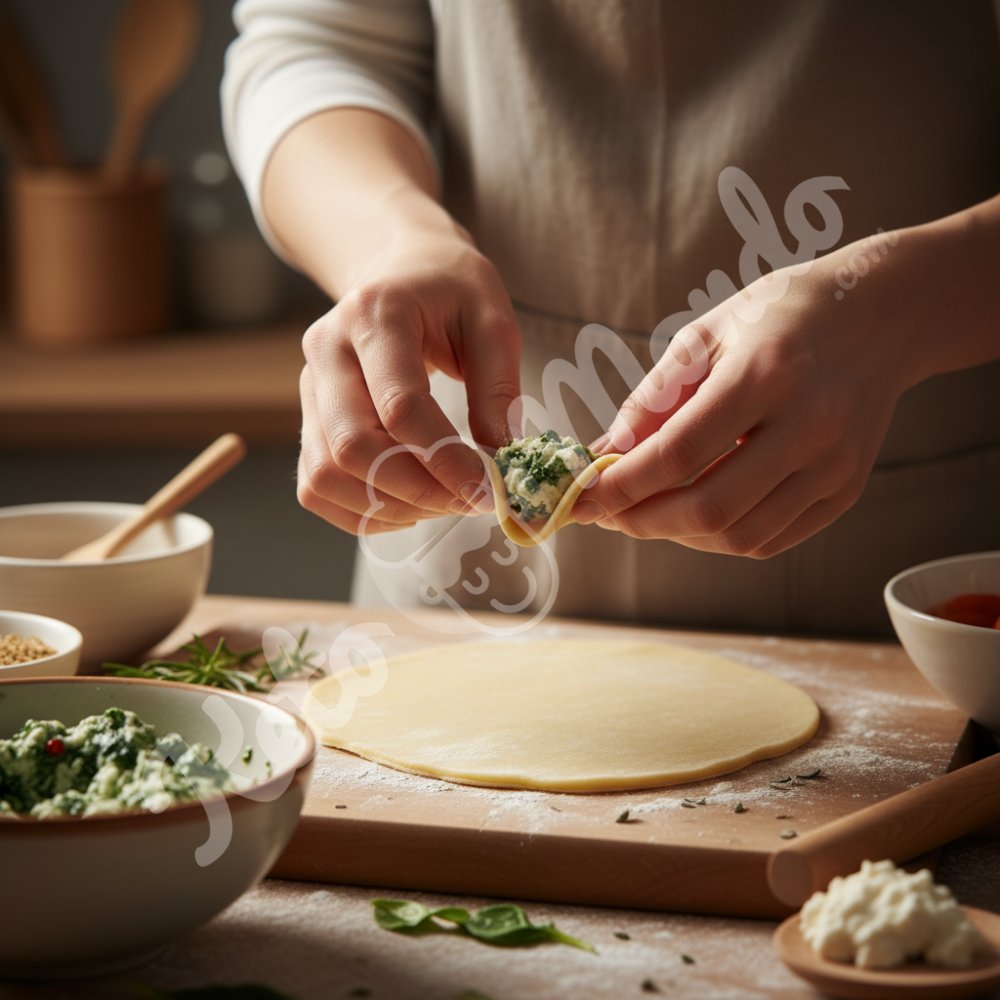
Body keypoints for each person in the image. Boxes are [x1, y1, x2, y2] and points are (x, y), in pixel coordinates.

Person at [222, 0, 1000, 636]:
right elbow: (314, 43)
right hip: (451, 573)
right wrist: (387, 240)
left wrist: (900, 309)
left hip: (893, 582)